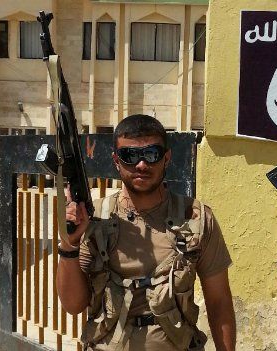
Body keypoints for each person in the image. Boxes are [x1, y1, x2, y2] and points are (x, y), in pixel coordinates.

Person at [57, 114, 236, 350]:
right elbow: (73, 305)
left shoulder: (196, 219)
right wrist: (69, 244)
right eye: (130, 156)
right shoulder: (95, 219)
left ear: (167, 157)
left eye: (151, 154)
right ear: (116, 160)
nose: (141, 165)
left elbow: (219, 301)